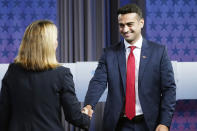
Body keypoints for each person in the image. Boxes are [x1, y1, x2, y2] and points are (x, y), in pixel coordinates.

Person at [84, 4, 176, 131]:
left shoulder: (159, 52)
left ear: (141, 23)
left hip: (150, 123)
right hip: (119, 124)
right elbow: (98, 82)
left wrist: (165, 122)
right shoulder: (109, 53)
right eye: (121, 25)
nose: (125, 29)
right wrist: (89, 105)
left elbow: (168, 89)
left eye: (130, 24)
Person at [0, 20, 93, 131]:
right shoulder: (62, 74)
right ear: (49, 45)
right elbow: (74, 117)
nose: (57, 43)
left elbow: (3, 115)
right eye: (55, 39)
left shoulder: (12, 71)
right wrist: (86, 115)